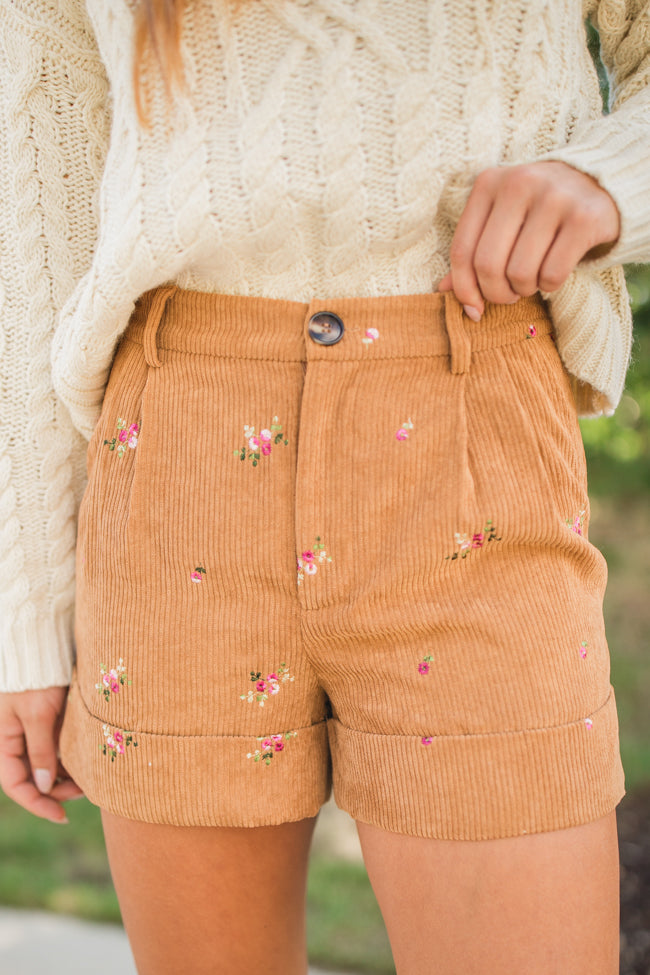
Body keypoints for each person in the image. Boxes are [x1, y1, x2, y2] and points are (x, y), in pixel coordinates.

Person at [0, 1, 648, 972]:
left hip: (471, 434)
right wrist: (28, 608)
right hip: (175, 462)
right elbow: (34, 234)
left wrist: (610, 175)